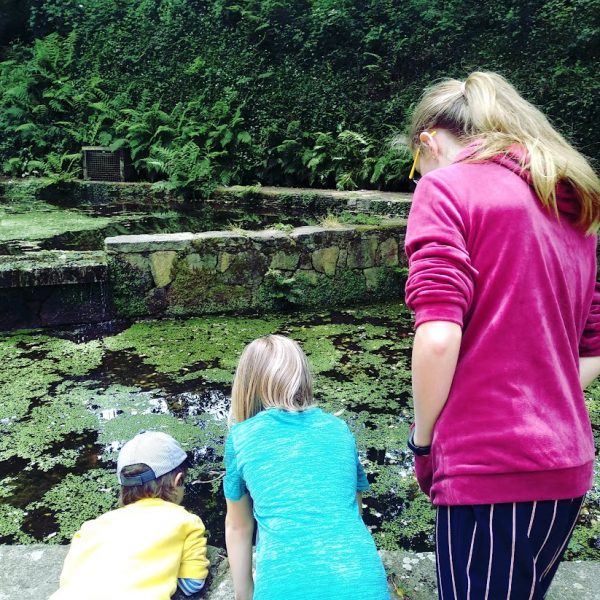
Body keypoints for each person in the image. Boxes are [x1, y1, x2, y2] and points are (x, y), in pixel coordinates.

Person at [403, 70, 600, 599]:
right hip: (567, 467)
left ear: (428, 143)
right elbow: (593, 349)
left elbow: (438, 337)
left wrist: (422, 441)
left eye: (416, 167)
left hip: (486, 467)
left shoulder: (445, 188)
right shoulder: (572, 202)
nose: (419, 178)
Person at [223, 334, 389, 600]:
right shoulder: (339, 429)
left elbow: (239, 527)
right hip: (363, 583)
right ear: (302, 378)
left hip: (285, 586)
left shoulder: (241, 438)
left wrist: (245, 594)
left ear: (247, 386)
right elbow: (354, 511)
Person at [51, 430, 210, 600]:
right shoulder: (186, 521)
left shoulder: (91, 527)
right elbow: (192, 584)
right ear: (178, 481)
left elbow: (67, 581)